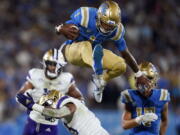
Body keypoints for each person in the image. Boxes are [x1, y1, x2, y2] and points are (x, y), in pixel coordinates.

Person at [55, 0, 151, 103]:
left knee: (121, 65)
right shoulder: (86, 15)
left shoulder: (117, 30)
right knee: (86, 45)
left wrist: (139, 74)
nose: (107, 28)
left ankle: (100, 81)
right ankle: (98, 73)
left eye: (111, 26)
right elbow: (61, 27)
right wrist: (60, 29)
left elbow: (125, 53)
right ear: (99, 16)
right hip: (74, 51)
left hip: (92, 54)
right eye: (105, 24)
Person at [16, 48, 84, 135]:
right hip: (32, 121)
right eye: (49, 64)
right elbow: (19, 96)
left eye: (55, 64)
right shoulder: (35, 74)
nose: (52, 67)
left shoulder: (66, 79)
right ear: (44, 64)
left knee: (54, 95)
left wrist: (66, 110)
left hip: (49, 125)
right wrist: (27, 101)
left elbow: (80, 99)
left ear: (61, 65)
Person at [16, 90, 110, 135]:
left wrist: (32, 105)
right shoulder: (72, 103)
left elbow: (58, 113)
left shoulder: (68, 103)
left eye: (46, 105)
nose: (46, 110)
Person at [120, 62, 170, 135]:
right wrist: (140, 119)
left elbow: (164, 121)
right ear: (136, 80)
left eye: (149, 78)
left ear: (154, 79)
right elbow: (124, 125)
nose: (145, 83)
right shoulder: (130, 96)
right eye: (142, 79)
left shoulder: (162, 96)